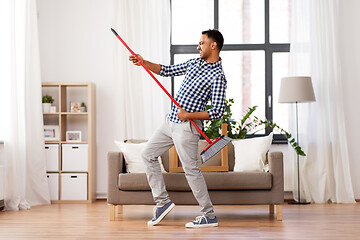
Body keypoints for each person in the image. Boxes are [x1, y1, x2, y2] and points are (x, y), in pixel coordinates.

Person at [129, 29, 226, 228]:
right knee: (147, 154)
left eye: (202, 43)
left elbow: (217, 111)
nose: (198, 46)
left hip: (187, 127)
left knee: (191, 170)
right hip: (170, 121)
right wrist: (143, 61)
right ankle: (162, 202)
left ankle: (209, 215)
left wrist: (188, 115)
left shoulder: (218, 76)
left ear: (213, 45)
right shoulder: (194, 63)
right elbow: (166, 70)